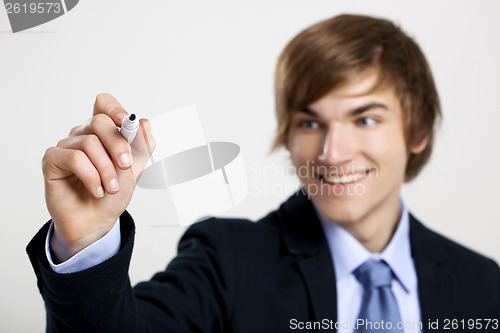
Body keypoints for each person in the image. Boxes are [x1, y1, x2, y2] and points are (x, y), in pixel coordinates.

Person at [27, 14, 499, 332]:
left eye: (365, 118)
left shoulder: (483, 286)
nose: (332, 153)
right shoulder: (226, 263)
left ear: (417, 131)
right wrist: (86, 240)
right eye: (310, 122)